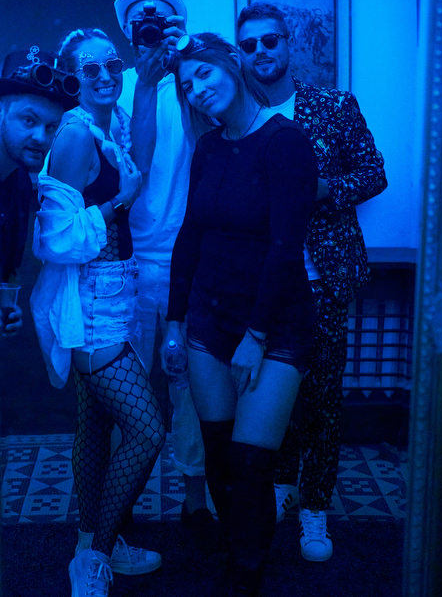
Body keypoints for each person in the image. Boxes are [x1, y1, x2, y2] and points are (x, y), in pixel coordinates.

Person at [161, 32, 317, 595]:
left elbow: (286, 247)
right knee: (221, 458)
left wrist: (255, 335)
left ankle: (247, 575)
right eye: (187, 85)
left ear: (231, 64)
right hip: (208, 317)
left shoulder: (286, 141)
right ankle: (239, 557)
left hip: (275, 324)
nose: (197, 89)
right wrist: (174, 323)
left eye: (204, 73)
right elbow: (190, 235)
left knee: (252, 463)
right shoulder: (208, 147)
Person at [236, 2, 387, 562]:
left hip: (323, 278)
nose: (260, 51)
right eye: (248, 45)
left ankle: (316, 507)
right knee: (271, 395)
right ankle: (282, 487)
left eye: (269, 40)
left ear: (288, 42)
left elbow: (374, 173)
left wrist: (319, 189)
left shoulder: (334, 105)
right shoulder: (242, 118)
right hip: (263, 285)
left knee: (321, 399)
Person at [30, 27, 166, 597]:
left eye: (112, 64)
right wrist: (120, 202)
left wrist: (150, 85)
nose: (106, 76)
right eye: (91, 70)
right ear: (73, 77)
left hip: (116, 292)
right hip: (90, 305)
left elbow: (141, 157)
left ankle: (90, 542)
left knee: (95, 427)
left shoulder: (109, 125)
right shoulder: (75, 135)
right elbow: (55, 238)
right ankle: (95, 558)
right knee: (148, 430)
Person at [113, 0, 214, 529]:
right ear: (130, 30)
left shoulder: (196, 82)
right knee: (124, 389)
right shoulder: (119, 87)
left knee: (189, 386)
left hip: (190, 260)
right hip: (128, 263)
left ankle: (195, 499)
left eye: (160, 16)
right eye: (140, 18)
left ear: (175, 22)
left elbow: (214, 145)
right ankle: (118, 506)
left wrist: (184, 62)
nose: (150, 24)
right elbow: (139, 162)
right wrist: (149, 85)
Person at [0, 47, 77, 334]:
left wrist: (4, 305)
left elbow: (8, 269)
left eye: (51, 127)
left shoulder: (21, 182)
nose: (41, 137)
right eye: (29, 120)